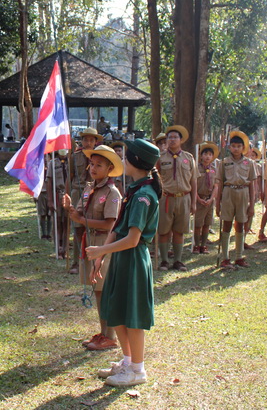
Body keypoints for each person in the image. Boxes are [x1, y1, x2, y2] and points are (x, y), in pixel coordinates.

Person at [85, 138, 161, 388]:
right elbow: (117, 228)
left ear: (136, 161)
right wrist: (101, 257)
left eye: (126, 157)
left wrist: (101, 250)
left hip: (133, 260)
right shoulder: (134, 190)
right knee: (116, 310)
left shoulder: (144, 196)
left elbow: (133, 239)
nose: (123, 160)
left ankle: (138, 370)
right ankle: (127, 362)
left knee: (133, 316)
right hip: (120, 258)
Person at [63, 145, 122, 352]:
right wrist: (69, 208)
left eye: (99, 165)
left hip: (105, 244)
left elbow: (110, 224)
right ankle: (103, 333)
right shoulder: (89, 188)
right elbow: (79, 214)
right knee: (98, 291)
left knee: (106, 291)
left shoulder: (112, 192)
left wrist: (81, 220)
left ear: (110, 168)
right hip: (89, 242)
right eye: (92, 164)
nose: (93, 168)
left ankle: (110, 336)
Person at [155, 125, 196, 271]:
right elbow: (155, 179)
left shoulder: (188, 158)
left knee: (179, 230)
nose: (172, 140)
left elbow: (193, 181)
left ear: (181, 140)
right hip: (166, 199)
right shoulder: (160, 158)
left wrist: (193, 202)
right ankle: (164, 261)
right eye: (169, 137)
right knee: (164, 230)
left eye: (175, 137)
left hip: (184, 198)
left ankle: (178, 260)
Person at [215, 130, 256, 269]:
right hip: (228, 192)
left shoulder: (249, 163)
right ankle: (225, 258)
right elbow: (220, 183)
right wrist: (217, 204)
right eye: (233, 146)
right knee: (226, 224)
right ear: (229, 147)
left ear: (243, 147)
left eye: (239, 146)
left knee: (240, 224)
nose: (236, 149)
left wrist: (252, 205)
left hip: (243, 193)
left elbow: (252, 185)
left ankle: (239, 256)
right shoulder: (224, 162)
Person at [68, 128, 103, 274]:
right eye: (85, 140)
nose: (88, 143)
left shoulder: (100, 157)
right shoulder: (74, 157)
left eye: (91, 140)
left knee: (91, 227)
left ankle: (91, 260)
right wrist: (67, 196)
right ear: (81, 141)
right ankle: (76, 262)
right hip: (78, 192)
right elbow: (69, 177)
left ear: (95, 142)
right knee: (78, 228)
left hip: (94, 193)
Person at [193, 142, 219, 254]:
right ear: (201, 155)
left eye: (210, 154)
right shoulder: (196, 168)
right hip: (199, 199)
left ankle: (203, 245)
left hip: (209, 200)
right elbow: (193, 185)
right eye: (205, 154)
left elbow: (216, 186)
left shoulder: (214, 169)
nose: (207, 157)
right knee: (198, 224)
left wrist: (211, 199)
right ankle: (196, 245)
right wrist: (198, 199)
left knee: (207, 224)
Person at [44, 149, 70, 255]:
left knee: (66, 222)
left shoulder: (71, 162)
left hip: (68, 195)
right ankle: (57, 247)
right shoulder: (52, 163)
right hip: (57, 194)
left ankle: (65, 247)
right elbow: (49, 181)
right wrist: (50, 200)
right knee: (58, 221)